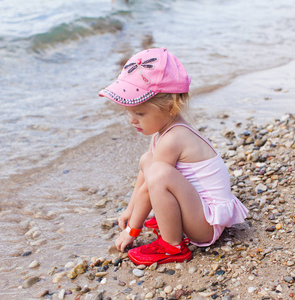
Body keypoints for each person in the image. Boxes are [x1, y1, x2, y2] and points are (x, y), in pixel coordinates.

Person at [98, 48, 248, 266]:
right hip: (199, 211)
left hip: (206, 225)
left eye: (139, 113)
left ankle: (172, 246)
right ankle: (169, 221)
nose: (132, 120)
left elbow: (152, 185)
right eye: (128, 112)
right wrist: (131, 210)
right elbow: (145, 176)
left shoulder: (173, 138)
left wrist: (133, 229)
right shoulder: (165, 131)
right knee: (147, 161)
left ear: (170, 106)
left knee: (159, 173)